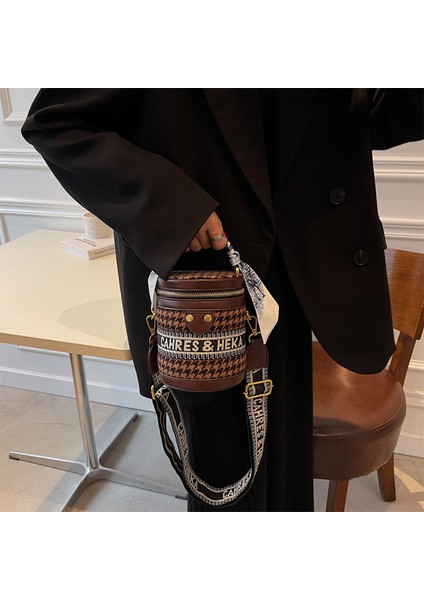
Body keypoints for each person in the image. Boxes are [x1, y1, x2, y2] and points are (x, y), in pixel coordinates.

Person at [22, 89, 423, 512]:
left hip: (297, 288)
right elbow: (56, 123)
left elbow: (377, 118)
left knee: (287, 473)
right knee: (225, 486)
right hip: (205, 296)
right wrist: (172, 206)